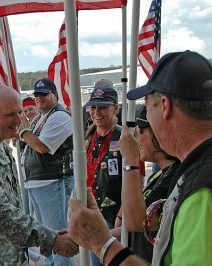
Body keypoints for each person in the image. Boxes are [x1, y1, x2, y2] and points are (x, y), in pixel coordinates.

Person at [68, 50, 212, 266]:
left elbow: (137, 220)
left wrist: (101, 243)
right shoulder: (196, 168)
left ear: (165, 105)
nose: (139, 131)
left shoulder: (200, 190)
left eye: (146, 105)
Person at [0, 84, 79, 265]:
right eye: (10, 115)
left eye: (20, 112)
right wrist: (50, 239)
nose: (18, 119)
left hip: (9, 256)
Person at [20, 78, 74, 266]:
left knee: (59, 241)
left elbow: (42, 147)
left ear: (55, 95)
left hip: (54, 184)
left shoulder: (60, 116)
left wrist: (23, 132)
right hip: (39, 185)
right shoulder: (40, 118)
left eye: (44, 95)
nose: (39, 99)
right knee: (49, 242)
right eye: (37, 95)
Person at [118, 105, 180, 262]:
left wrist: (131, 161)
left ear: (159, 133)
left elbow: (138, 223)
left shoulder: (175, 175)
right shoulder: (161, 173)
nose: (137, 138)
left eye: (141, 131)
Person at [82, 80, 122, 266]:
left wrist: (122, 215)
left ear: (116, 108)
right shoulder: (88, 137)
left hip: (114, 216)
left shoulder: (125, 138)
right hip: (92, 213)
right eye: (93, 107)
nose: (96, 112)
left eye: (103, 107)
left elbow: (136, 181)